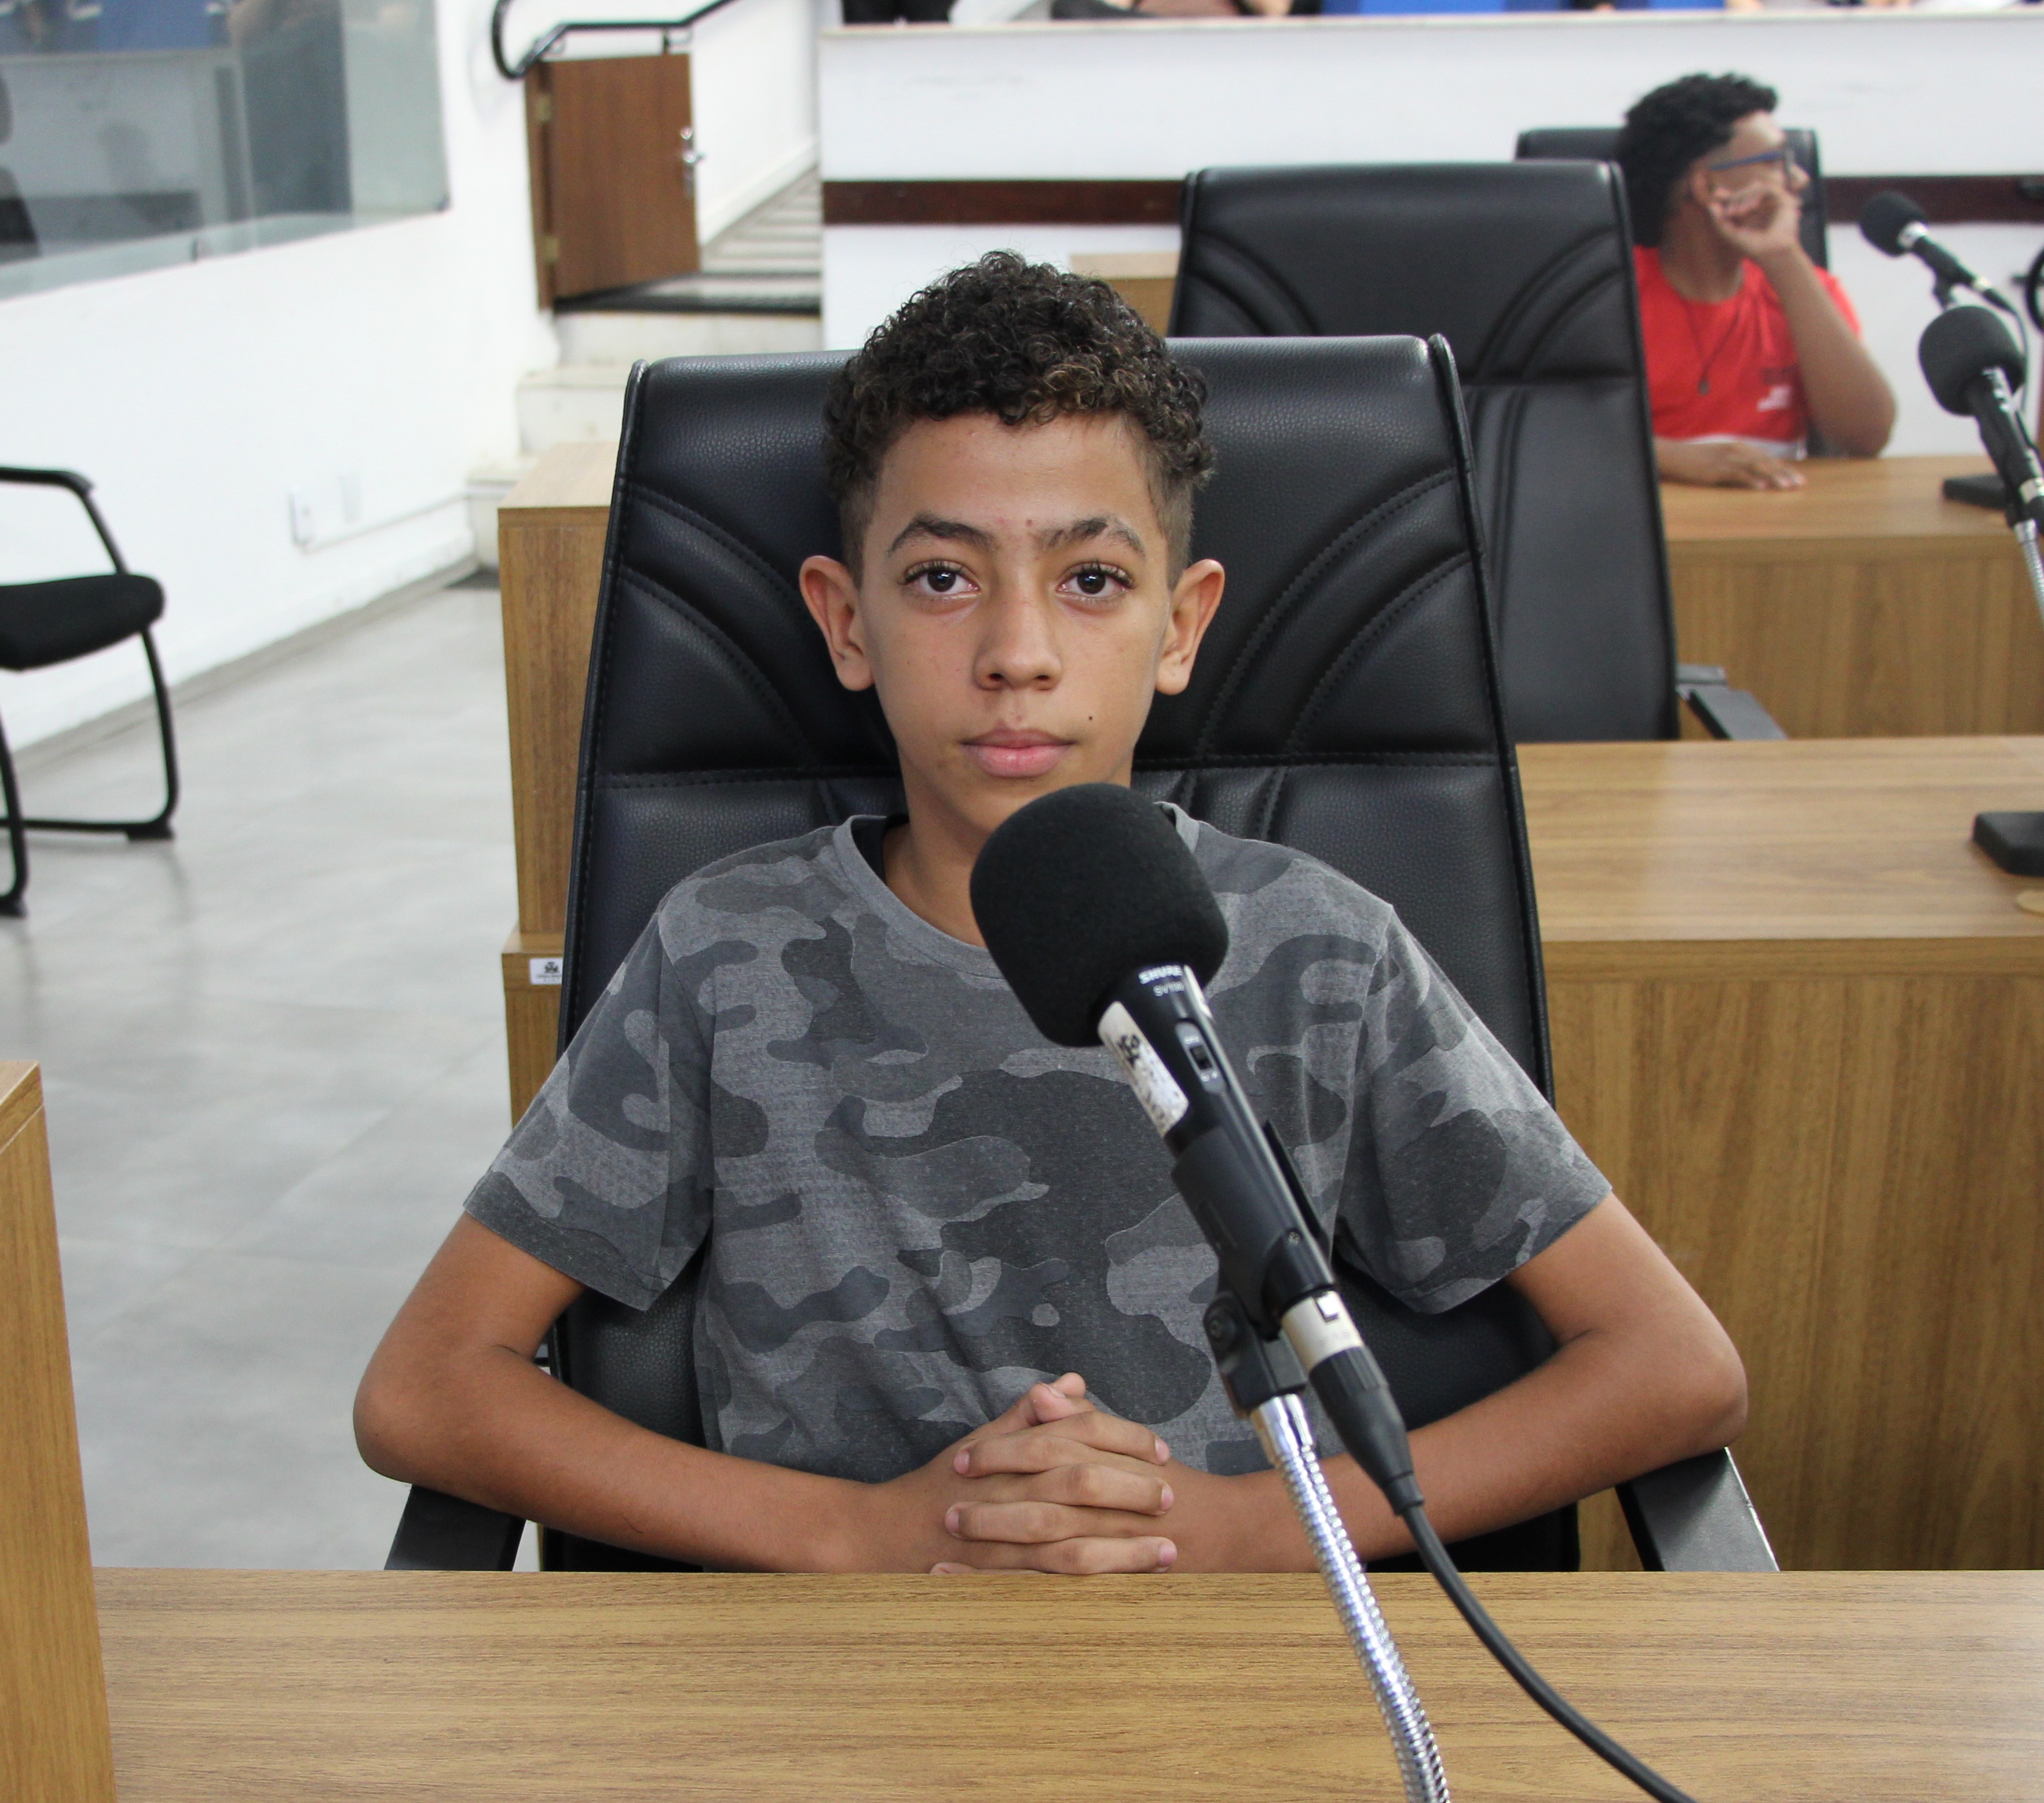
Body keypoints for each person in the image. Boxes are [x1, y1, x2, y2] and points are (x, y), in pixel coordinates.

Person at [354, 255, 1746, 1574]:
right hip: (826, 1677)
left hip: (1221, 1663)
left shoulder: (1324, 951)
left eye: (1091, 581)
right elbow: (425, 1385)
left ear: (1180, 623)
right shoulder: (727, 949)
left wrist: (1255, 1531)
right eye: (942, 577)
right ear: (845, 621)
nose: (1018, 653)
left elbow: (1675, 1365)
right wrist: (857, 1535)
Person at [1619, 72, 1896, 491]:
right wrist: (1671, 458)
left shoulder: (1802, 288)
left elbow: (1866, 437)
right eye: (1775, 162)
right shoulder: (1608, 295)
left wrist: (1783, 258)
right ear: (1707, 185)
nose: (1799, 180)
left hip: (1773, 517)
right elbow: (1551, 436)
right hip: (1644, 518)